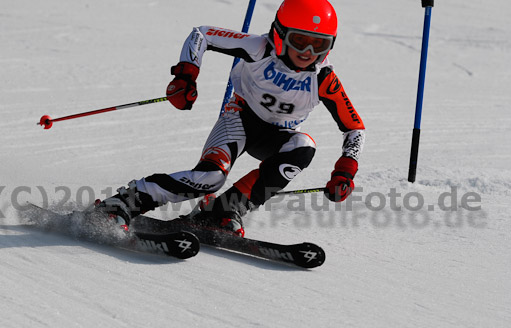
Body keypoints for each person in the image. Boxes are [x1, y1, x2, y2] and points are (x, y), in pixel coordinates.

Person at [96, 0, 365, 237]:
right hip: (239, 120)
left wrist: (345, 171)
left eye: (318, 44)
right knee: (210, 178)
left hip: (276, 137)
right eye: (299, 40)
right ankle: (123, 203)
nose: (307, 51)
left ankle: (223, 210)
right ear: (281, 34)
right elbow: (202, 35)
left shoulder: (323, 79)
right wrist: (186, 75)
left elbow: (355, 129)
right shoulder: (260, 48)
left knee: (304, 146)